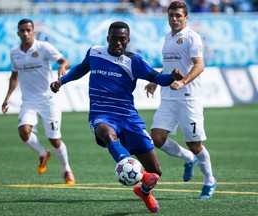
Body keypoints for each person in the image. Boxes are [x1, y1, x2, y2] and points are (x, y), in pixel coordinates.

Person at [50, 21, 183, 213]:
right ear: (107, 39)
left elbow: (156, 78)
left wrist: (171, 77)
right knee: (108, 135)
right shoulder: (95, 52)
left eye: (123, 40)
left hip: (128, 117)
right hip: (101, 114)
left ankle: (144, 191)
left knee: (156, 172)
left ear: (128, 40)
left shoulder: (134, 61)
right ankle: (140, 174)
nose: (118, 43)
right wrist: (61, 81)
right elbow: (81, 68)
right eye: (114, 39)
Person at [145, 1, 216, 199]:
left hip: (188, 98)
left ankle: (210, 180)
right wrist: (157, 81)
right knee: (157, 139)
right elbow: (169, 67)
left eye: (178, 15)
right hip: (168, 97)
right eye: (171, 15)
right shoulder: (168, 37)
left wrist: (183, 82)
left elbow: (199, 65)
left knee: (195, 144)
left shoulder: (192, 37)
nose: (174, 19)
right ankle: (187, 158)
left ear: (186, 17)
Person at [1, 18, 75, 184]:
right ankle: (43, 154)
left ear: (33, 31)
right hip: (29, 101)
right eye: (22, 30)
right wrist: (7, 99)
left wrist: (62, 67)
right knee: (23, 132)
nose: (25, 33)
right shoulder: (14, 53)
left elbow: (64, 60)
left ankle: (67, 169)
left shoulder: (43, 47)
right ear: (18, 33)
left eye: (28, 30)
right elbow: (14, 77)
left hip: (49, 100)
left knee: (55, 140)